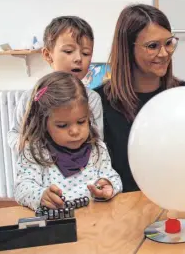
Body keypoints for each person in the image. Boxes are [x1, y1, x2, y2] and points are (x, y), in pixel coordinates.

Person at [95, 4, 185, 192]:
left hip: (178, 204)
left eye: (169, 43)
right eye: (153, 46)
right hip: (122, 208)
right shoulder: (99, 102)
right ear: (128, 48)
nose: (164, 53)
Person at [14, 72, 122, 210]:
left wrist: (109, 185)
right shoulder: (35, 152)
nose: (75, 131)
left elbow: (112, 176)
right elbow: (22, 188)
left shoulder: (97, 148)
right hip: (57, 227)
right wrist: (41, 195)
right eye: (62, 125)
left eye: (81, 121)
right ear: (43, 123)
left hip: (96, 222)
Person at [8, 16, 104, 152]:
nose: (78, 58)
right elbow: (14, 134)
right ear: (48, 55)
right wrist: (34, 150)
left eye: (86, 53)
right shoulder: (31, 97)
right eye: (68, 51)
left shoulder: (92, 99)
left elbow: (97, 143)